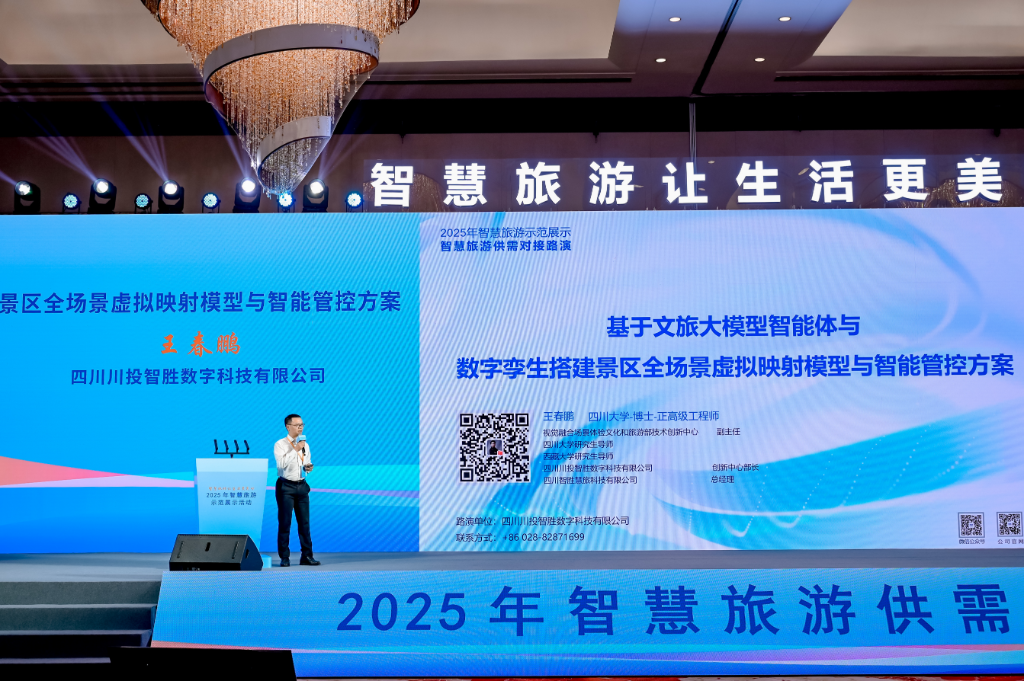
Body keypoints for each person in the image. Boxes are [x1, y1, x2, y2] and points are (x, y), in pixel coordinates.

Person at [273, 414, 320, 566]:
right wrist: (295, 449)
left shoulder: (305, 445)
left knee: (304, 523)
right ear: (288, 427)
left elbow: (306, 462)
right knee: (285, 523)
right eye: (297, 425)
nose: (300, 427)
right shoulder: (280, 444)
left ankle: (307, 556)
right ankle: (284, 557)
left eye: (302, 425)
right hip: (286, 487)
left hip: (302, 486)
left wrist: (308, 467)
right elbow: (281, 465)